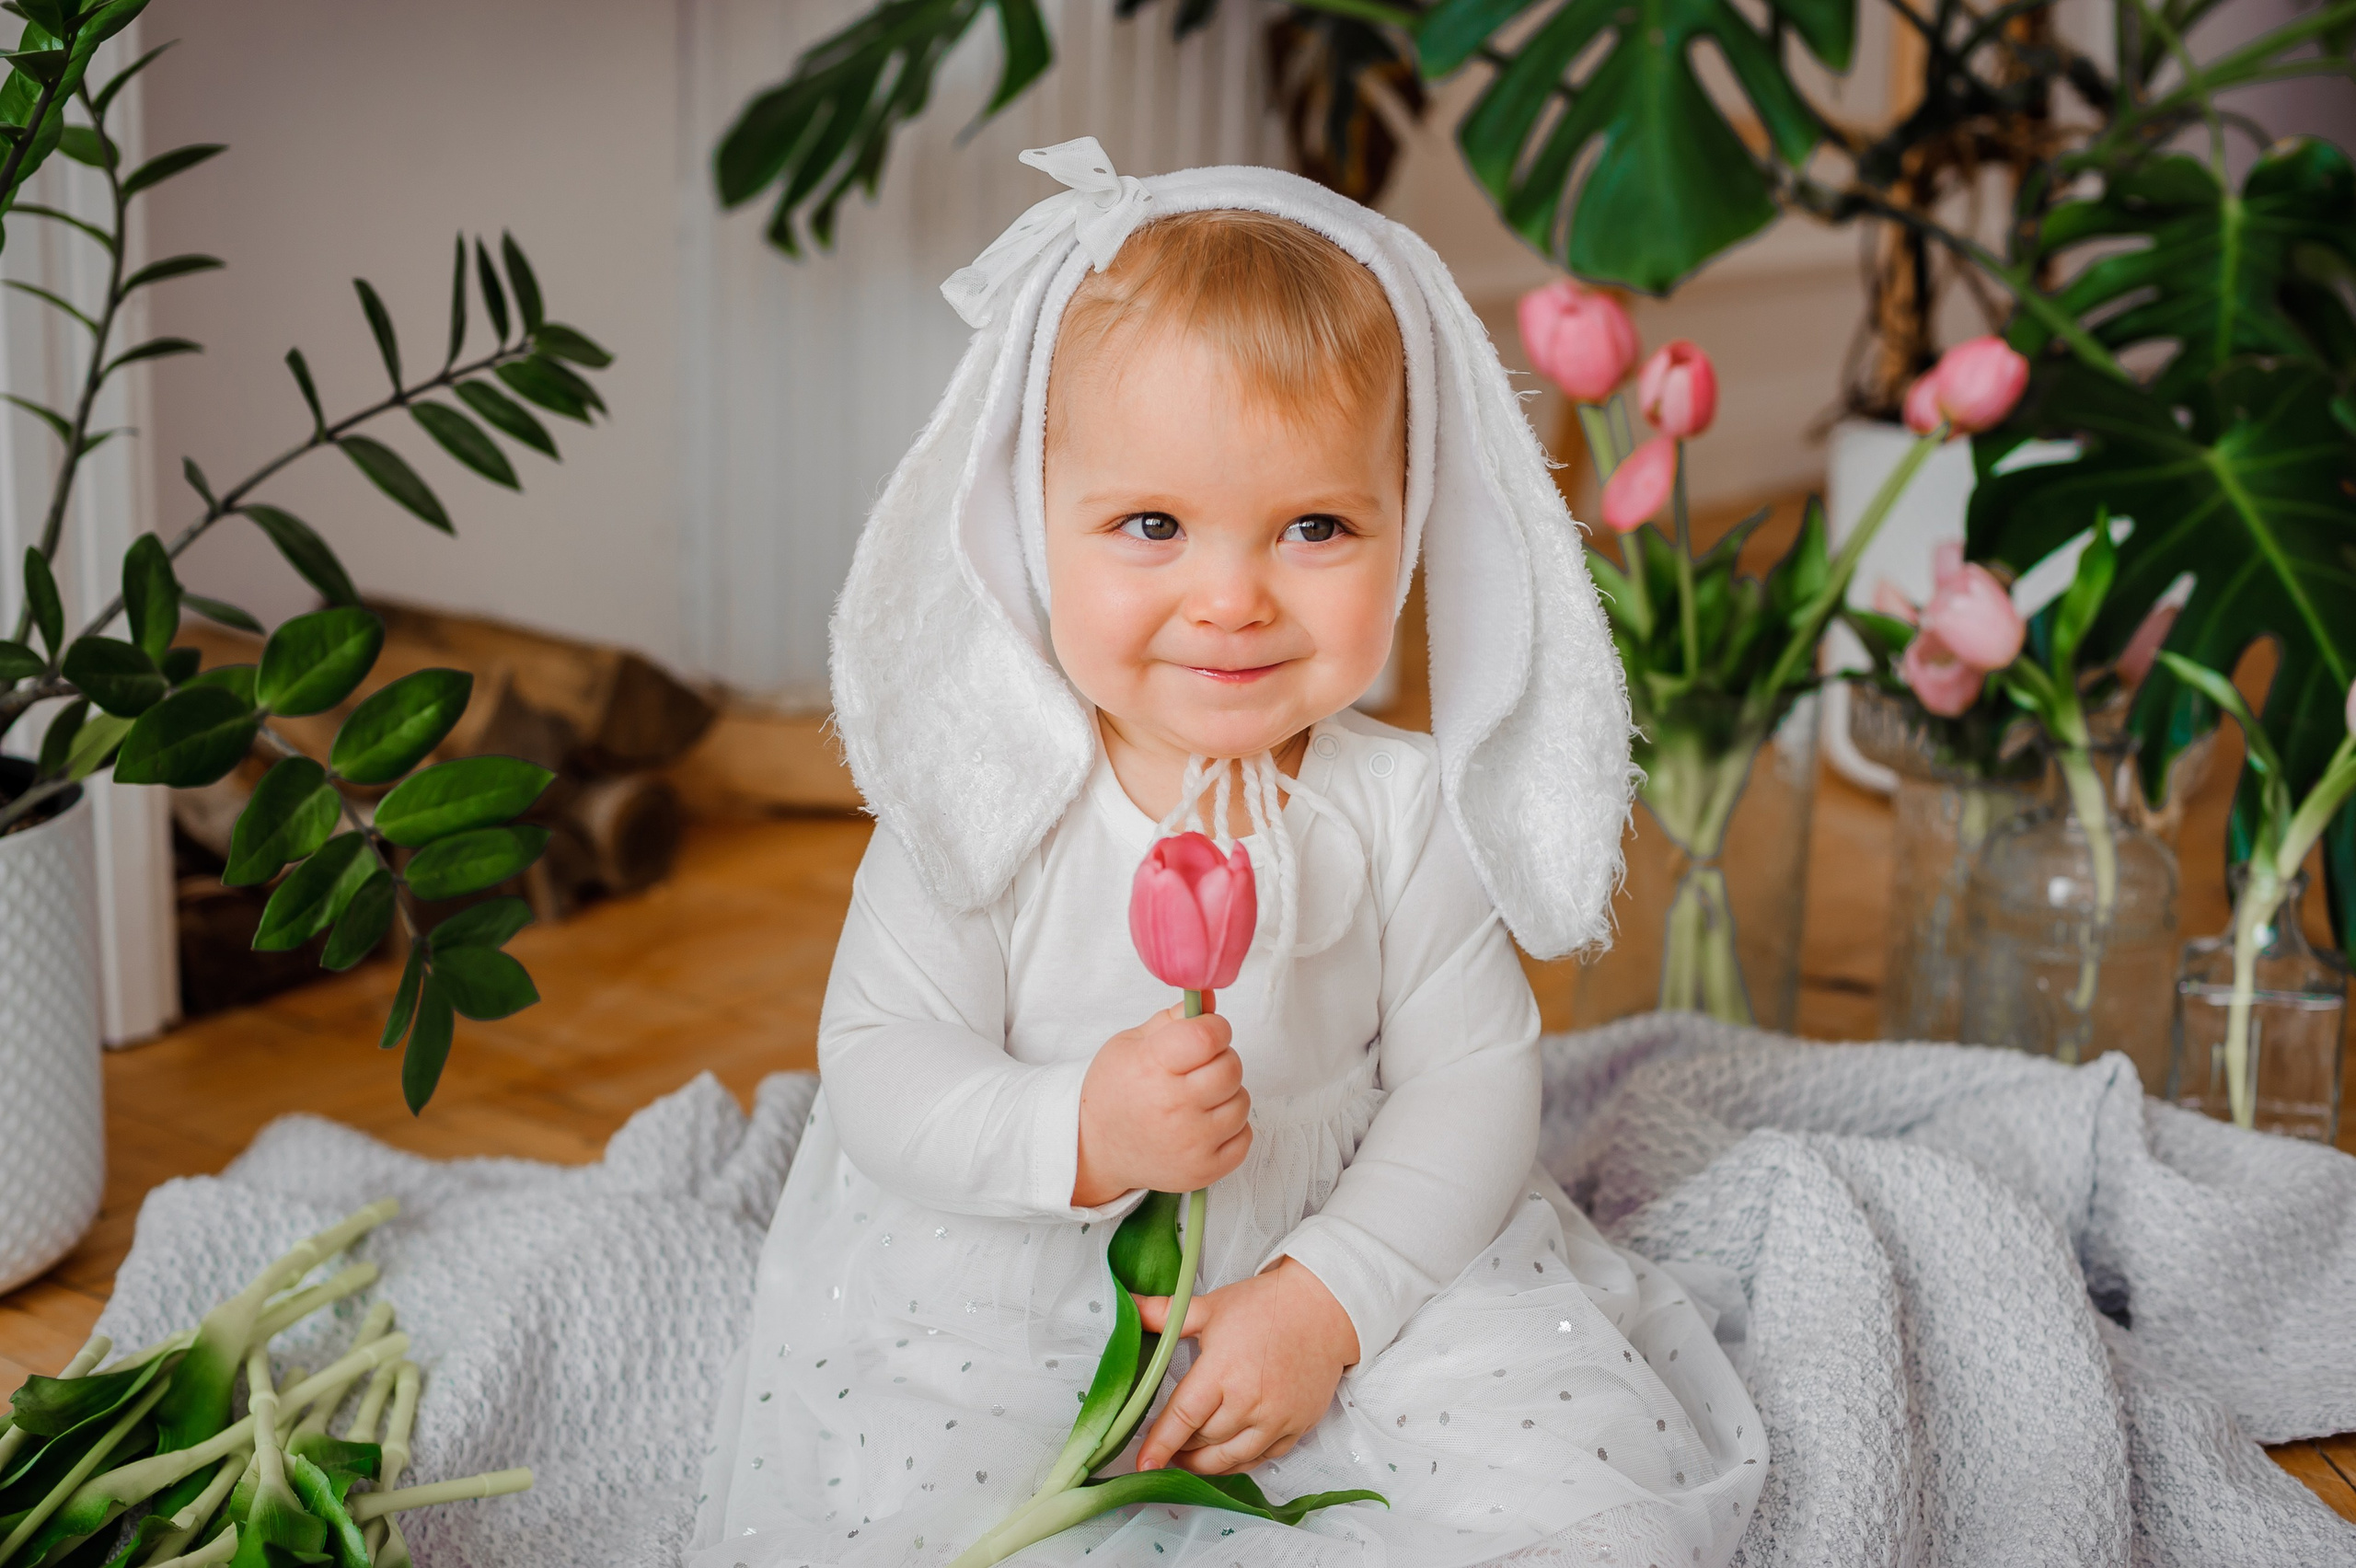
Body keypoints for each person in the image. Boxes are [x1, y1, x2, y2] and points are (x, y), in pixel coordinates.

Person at [687, 139, 1765, 1568]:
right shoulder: (987, 802)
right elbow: (881, 1067)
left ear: (1410, 525)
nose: (1233, 598)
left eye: (1316, 526)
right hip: (1026, 1275)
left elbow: (1470, 1082)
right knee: (945, 1510)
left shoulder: (1399, 807)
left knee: (1550, 1488)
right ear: (1031, 525)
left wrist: (1331, 1298)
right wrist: (1077, 1130)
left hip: (1349, 1245)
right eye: (1152, 525)